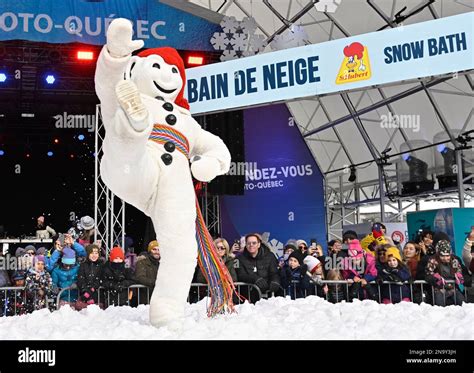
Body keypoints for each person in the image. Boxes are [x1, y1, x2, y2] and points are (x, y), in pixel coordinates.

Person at [96, 18, 233, 329]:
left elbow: (218, 148)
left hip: (173, 186)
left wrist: (210, 164)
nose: (168, 75)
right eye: (157, 66)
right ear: (137, 70)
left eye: (174, 71)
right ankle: (134, 126)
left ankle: (167, 311)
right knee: (125, 133)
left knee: (183, 248)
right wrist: (115, 56)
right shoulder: (126, 90)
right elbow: (105, 84)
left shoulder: (187, 121)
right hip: (135, 165)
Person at [235, 233, 280, 302]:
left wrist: (275, 281)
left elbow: (274, 273)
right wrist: (255, 278)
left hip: (267, 297)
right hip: (248, 298)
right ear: (246, 245)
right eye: (248, 243)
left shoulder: (270, 256)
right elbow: (240, 275)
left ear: (259, 244)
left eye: (254, 243)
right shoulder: (239, 259)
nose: (251, 245)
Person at [425, 240, 464, 306]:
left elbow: (458, 269)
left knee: (461, 301)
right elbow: (428, 273)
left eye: (447, 255)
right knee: (439, 304)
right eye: (442, 256)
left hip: (453, 288)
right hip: (439, 289)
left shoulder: (454, 260)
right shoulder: (433, 261)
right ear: (438, 254)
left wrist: (458, 275)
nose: (445, 258)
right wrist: (435, 277)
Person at [76, 244, 105, 310]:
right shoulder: (83, 265)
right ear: (88, 254)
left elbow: (101, 280)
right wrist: (85, 291)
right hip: (85, 297)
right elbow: (80, 279)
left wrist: (92, 290)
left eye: (96, 253)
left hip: (98, 297)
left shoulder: (102, 265)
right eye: (92, 253)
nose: (94, 255)